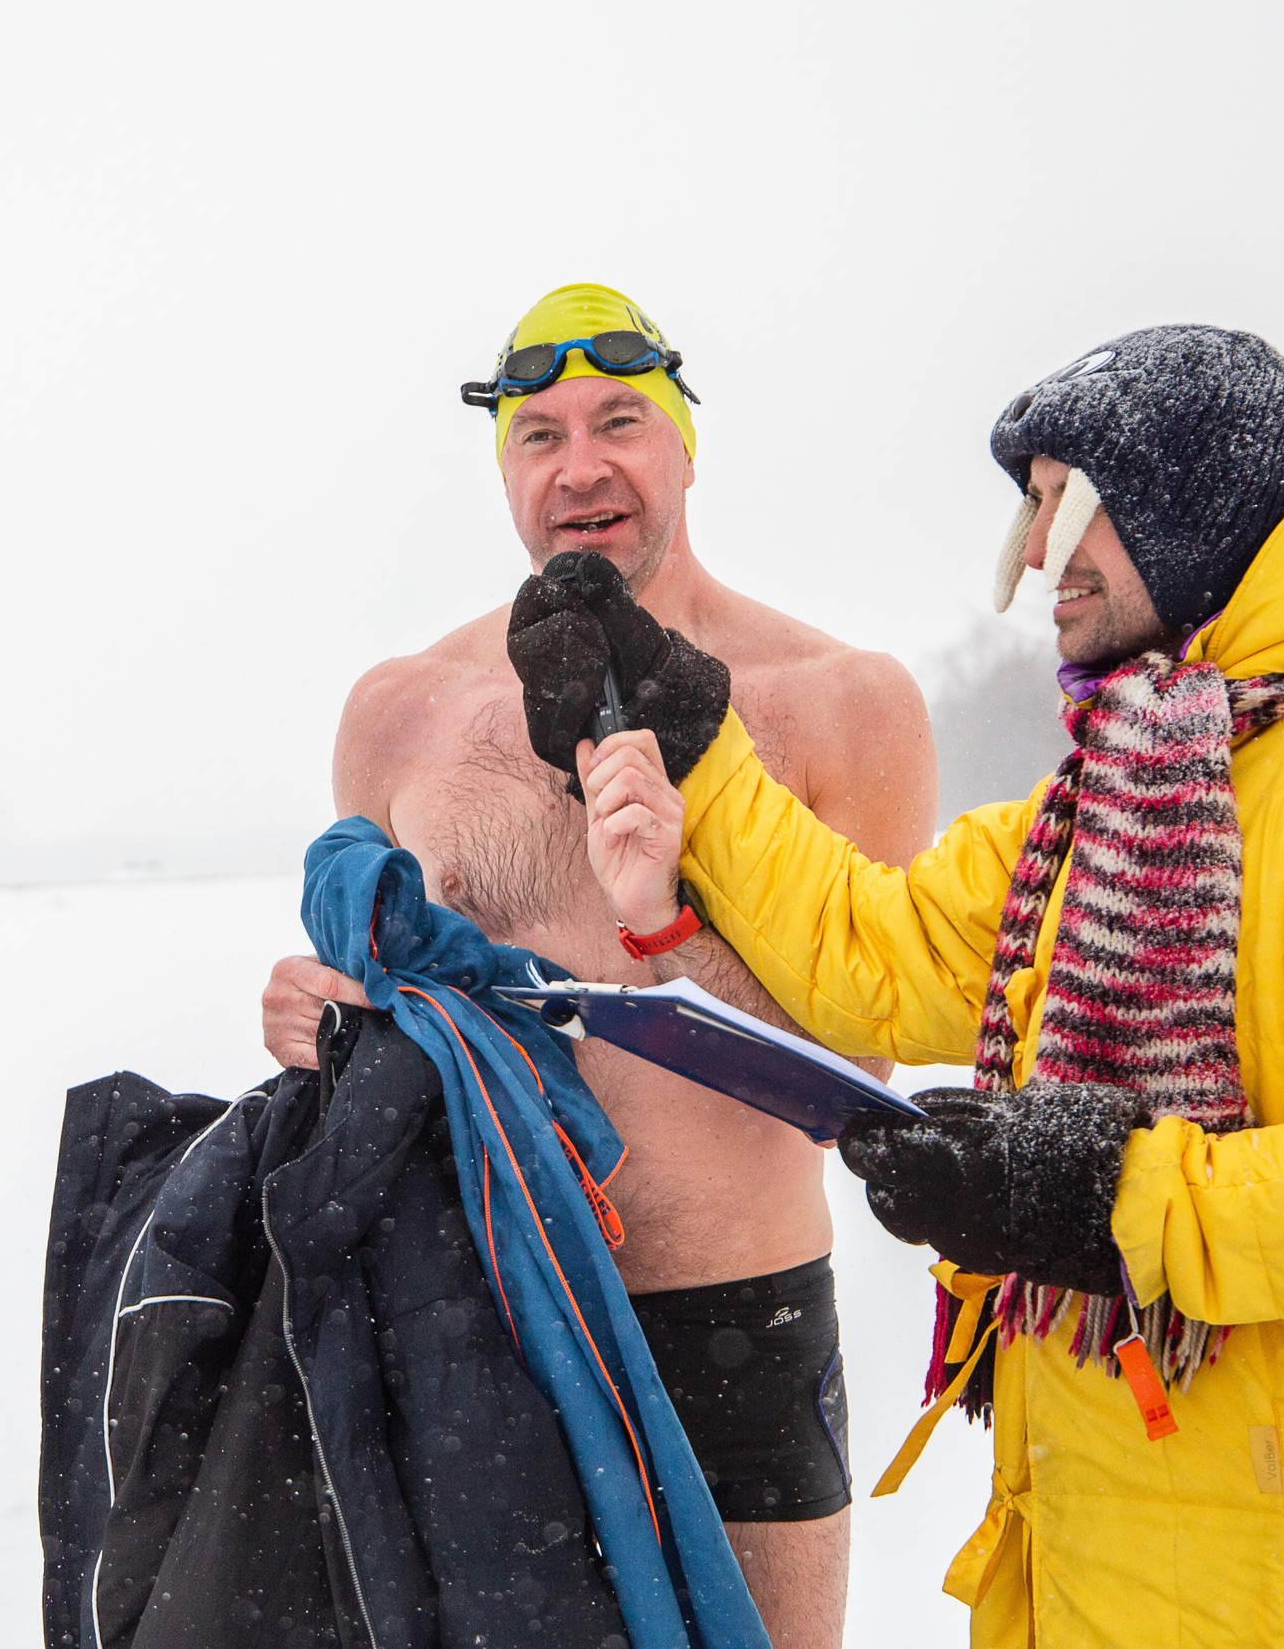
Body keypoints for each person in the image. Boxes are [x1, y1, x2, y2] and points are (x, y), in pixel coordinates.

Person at [543, 325, 1284, 1647]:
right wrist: (695, 741)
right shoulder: (1094, 814)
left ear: (1182, 509)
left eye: (1063, 506)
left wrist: (1109, 1194)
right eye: (1030, 511)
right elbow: (880, 953)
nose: (1038, 555)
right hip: (1092, 1570)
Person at [260, 282, 937, 1647]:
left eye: (622, 421)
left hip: (734, 1328)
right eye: (540, 434)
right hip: (476, 1321)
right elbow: (400, 998)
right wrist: (320, 1020)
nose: (582, 467)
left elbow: (860, 1075)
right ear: (503, 470)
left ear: (688, 447)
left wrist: (667, 926)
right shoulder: (401, 716)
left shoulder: (834, 699)